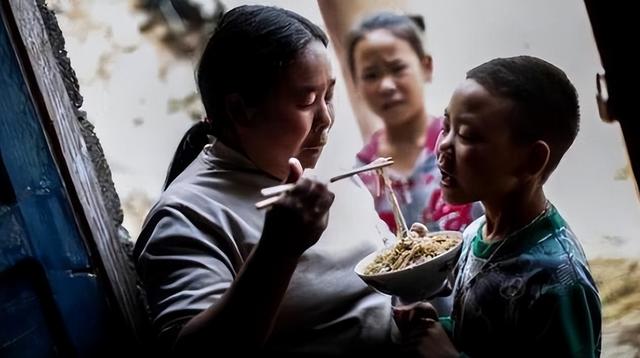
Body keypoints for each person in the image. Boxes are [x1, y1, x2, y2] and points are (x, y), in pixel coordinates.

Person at [134, 5, 404, 356]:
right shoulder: (188, 215)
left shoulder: (319, 169)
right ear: (240, 110)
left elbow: (387, 273)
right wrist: (279, 248)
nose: (326, 119)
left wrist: (410, 308)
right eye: (307, 100)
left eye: (329, 96)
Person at [396, 56, 602, 357]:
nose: (442, 145)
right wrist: (438, 327)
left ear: (531, 161)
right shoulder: (476, 232)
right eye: (446, 126)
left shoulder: (557, 282)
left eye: (466, 135)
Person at [344, 12, 481, 234]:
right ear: (356, 85)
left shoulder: (463, 145)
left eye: (397, 68)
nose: (386, 85)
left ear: (426, 67)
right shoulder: (362, 175)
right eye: (371, 75)